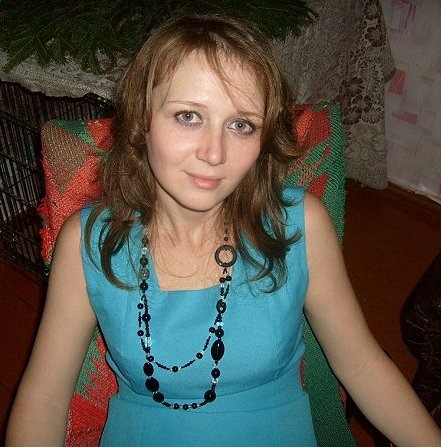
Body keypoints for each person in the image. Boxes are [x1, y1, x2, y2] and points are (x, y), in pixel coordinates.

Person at [6, 13, 441, 447]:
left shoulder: (299, 225)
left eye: (241, 125)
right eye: (188, 116)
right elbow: (44, 399)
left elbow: (362, 365)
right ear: (141, 120)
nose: (214, 153)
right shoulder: (89, 242)